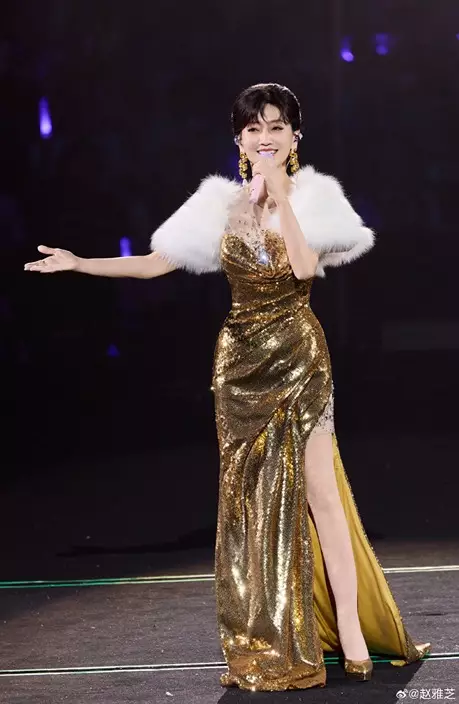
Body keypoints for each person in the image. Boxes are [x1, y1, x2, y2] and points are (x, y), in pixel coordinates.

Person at [24, 82, 430, 692]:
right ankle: (270, 631)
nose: (264, 138)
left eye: (276, 127)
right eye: (253, 129)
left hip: (298, 356)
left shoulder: (317, 198)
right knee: (249, 502)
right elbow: (154, 264)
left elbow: (304, 268)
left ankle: (349, 626)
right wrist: (81, 262)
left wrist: (284, 197)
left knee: (321, 494)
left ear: (295, 135)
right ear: (238, 139)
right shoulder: (216, 205)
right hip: (238, 365)